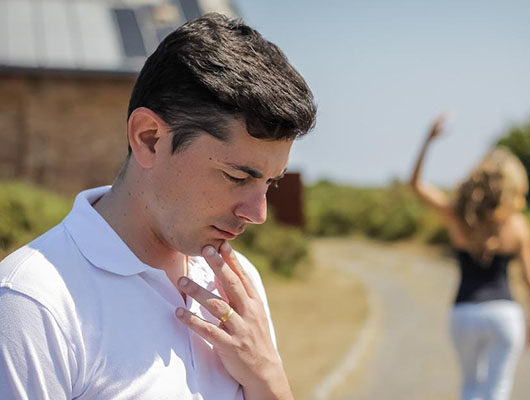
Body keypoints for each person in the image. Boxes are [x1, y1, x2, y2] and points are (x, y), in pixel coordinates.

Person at [0, 13, 316, 400]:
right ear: (149, 139)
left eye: (271, 182)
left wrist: (268, 379)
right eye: (237, 177)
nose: (258, 213)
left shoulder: (238, 283)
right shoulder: (33, 303)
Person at [409, 114, 530, 400]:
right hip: (505, 315)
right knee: (497, 390)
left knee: (470, 387)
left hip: (464, 313)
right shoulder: (518, 224)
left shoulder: (458, 215)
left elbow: (416, 184)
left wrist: (428, 140)